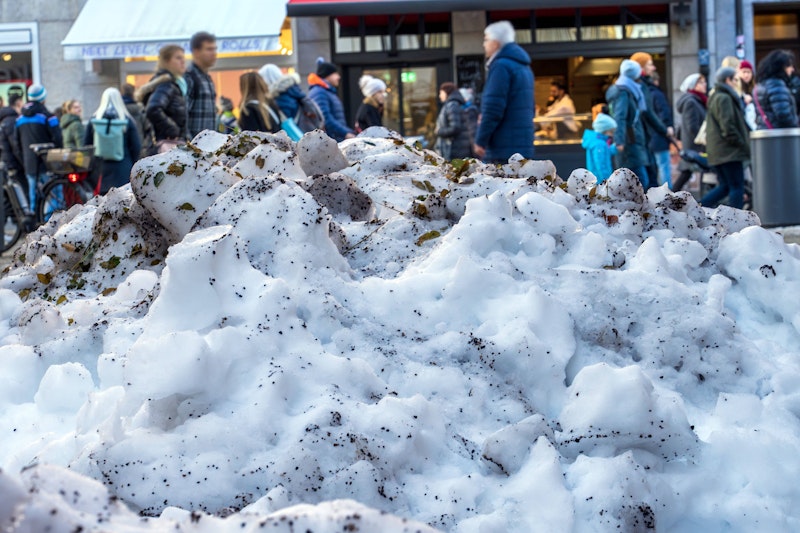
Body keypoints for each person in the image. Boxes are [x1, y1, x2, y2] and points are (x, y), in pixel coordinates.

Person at [473, 21, 534, 163]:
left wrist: (480, 140)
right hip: (522, 146)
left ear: (496, 43)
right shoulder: (524, 67)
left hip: (503, 148)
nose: (484, 44)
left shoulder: (501, 66)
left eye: (486, 39)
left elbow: (493, 107)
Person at [13, 84, 63, 210]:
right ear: (43, 98)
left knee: (33, 195)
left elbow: (16, 144)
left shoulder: (19, 119)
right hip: (47, 162)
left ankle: (35, 223)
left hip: (29, 163)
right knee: (54, 195)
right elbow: (58, 139)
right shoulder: (49, 117)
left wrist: (23, 159)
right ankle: (49, 223)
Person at [83, 87, 141, 194]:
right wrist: (132, 163)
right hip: (123, 168)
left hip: (100, 171)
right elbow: (136, 146)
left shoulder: (94, 120)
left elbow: (86, 145)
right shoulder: (126, 120)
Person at [630, 52, 674, 188]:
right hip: (642, 139)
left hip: (646, 138)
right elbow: (647, 113)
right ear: (641, 68)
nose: (653, 68)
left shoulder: (642, 86)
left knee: (650, 177)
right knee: (649, 178)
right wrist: (664, 129)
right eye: (650, 64)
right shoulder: (640, 87)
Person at [605, 59, 650, 188]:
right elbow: (620, 117)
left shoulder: (627, 90)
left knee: (634, 181)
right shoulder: (623, 92)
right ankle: (637, 208)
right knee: (640, 181)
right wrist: (619, 142)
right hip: (629, 141)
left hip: (630, 140)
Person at [136, 44, 188, 142]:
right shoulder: (167, 85)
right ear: (166, 61)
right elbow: (153, 108)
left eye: (183, 58)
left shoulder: (174, 83)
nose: (183, 61)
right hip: (168, 143)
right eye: (178, 58)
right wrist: (172, 130)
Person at [672, 73, 708, 192]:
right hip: (694, 144)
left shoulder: (698, 100)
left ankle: (670, 195)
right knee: (686, 173)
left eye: (704, 82)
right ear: (693, 85)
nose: (705, 85)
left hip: (694, 143)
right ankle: (670, 196)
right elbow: (691, 126)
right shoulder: (691, 102)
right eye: (701, 82)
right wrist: (703, 140)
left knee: (687, 173)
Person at [308, 59, 355, 142]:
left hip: (334, 139)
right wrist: (345, 133)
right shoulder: (319, 92)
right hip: (330, 141)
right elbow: (325, 118)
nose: (338, 77)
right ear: (327, 75)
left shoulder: (326, 91)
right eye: (335, 73)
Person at [184, 31, 218, 138]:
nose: (214, 53)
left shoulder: (207, 78)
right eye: (209, 49)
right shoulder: (189, 77)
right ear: (196, 52)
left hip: (207, 146)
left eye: (214, 49)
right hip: (193, 147)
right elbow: (182, 115)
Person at [753, 49, 798, 129]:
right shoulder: (777, 86)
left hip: (766, 134)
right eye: (789, 66)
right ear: (781, 67)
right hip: (780, 136)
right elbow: (784, 116)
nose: (792, 69)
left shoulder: (761, 85)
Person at [434, 82, 472, 160]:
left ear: (446, 92)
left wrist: (439, 131)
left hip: (455, 149)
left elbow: (455, 127)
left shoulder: (452, 105)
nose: (440, 96)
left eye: (441, 93)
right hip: (455, 148)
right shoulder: (451, 105)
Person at [581, 112, 618, 183]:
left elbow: (607, 152)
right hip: (600, 180)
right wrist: (606, 180)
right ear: (604, 130)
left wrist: (614, 148)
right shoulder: (599, 144)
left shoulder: (598, 142)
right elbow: (600, 164)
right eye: (611, 131)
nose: (612, 134)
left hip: (597, 178)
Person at [121, 82, 154, 159]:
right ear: (133, 93)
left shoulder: (118, 110)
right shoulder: (140, 108)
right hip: (140, 147)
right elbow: (148, 128)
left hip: (122, 150)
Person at [0, 93, 25, 184]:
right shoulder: (12, 121)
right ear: (18, 103)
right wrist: (24, 163)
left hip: (7, 161)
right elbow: (16, 145)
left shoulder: (5, 120)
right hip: (14, 164)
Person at [738, 60, 757, 130]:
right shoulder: (737, 89)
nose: (746, 75)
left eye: (748, 72)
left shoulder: (754, 88)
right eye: (744, 72)